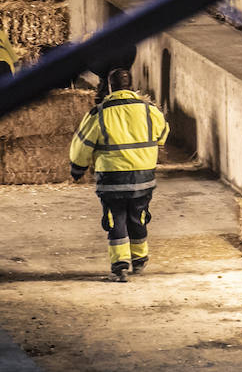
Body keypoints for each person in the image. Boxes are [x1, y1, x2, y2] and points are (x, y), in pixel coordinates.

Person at [68, 68, 168, 282]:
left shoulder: (100, 113)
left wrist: (78, 168)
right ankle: (140, 260)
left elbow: (82, 144)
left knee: (116, 219)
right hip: (143, 177)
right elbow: (162, 134)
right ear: (131, 86)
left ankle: (120, 265)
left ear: (110, 87)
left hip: (112, 179)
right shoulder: (149, 110)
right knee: (138, 216)